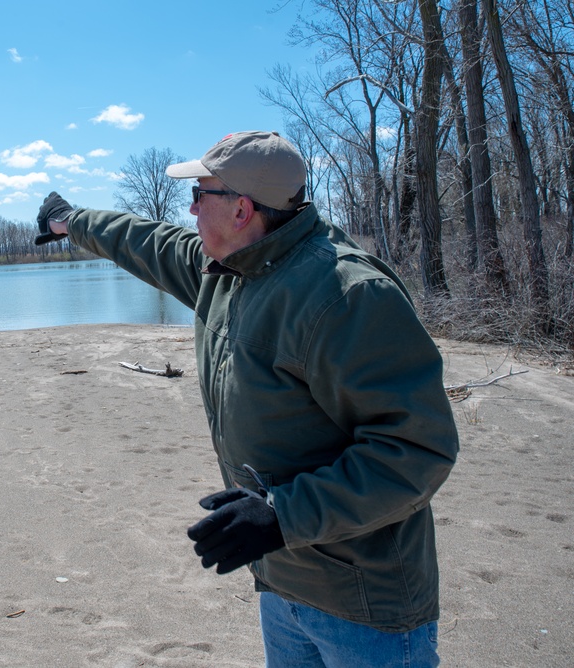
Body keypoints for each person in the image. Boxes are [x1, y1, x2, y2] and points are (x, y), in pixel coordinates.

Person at [34, 131, 459, 667]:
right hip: (281, 580)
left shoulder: (347, 296)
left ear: (240, 209)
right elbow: (147, 242)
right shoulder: (229, 270)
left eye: (199, 196)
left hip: (362, 603)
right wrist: (71, 221)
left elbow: (418, 451)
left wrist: (282, 515)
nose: (189, 209)